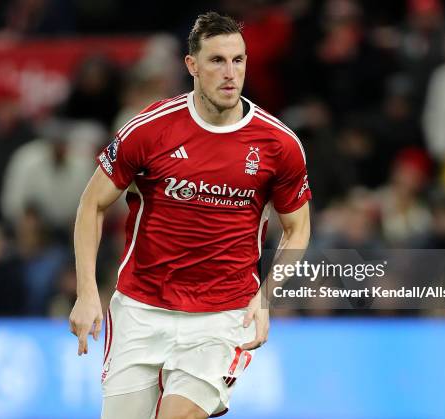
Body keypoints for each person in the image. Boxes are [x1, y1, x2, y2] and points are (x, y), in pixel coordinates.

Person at [69, 12, 311, 419]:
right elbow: (91, 205)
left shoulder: (279, 144)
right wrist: (87, 292)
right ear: (192, 65)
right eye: (217, 61)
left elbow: (297, 228)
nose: (230, 73)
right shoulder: (149, 130)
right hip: (141, 309)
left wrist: (266, 298)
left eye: (239, 60)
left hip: (221, 316)